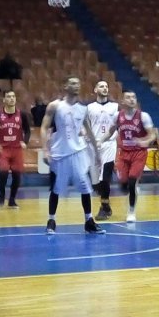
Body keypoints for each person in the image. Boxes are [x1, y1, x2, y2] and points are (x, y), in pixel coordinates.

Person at [40, 76, 105, 235]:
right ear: (65, 86)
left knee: (85, 187)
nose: (76, 86)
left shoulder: (83, 109)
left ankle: (89, 221)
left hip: (78, 152)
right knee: (56, 188)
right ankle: (51, 220)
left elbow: (89, 131)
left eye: (78, 83)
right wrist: (45, 150)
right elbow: (43, 127)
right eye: (72, 83)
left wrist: (97, 154)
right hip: (60, 153)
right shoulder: (55, 106)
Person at [98, 91, 157, 223]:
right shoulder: (117, 116)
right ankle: (132, 188)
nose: (131, 100)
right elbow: (110, 131)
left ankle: (131, 211)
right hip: (124, 153)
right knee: (123, 185)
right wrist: (100, 140)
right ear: (123, 101)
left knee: (131, 181)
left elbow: (152, 134)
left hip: (138, 153)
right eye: (128, 97)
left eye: (133, 97)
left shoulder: (143, 116)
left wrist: (146, 142)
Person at [0, 90, 31, 208]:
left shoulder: (22, 115)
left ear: (16, 99)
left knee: (17, 175)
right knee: (4, 171)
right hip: (3, 149)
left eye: (13, 96)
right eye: (8, 96)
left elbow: (27, 130)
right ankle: (2, 193)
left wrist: (25, 142)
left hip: (16, 149)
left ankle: (12, 200)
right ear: (4, 99)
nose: (11, 98)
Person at [87, 80, 119, 220]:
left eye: (106, 86)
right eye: (101, 86)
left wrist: (105, 139)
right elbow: (85, 127)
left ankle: (103, 208)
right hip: (93, 145)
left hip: (109, 144)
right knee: (96, 183)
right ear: (95, 90)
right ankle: (106, 206)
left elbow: (117, 126)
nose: (105, 88)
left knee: (105, 177)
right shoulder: (89, 108)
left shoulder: (115, 106)